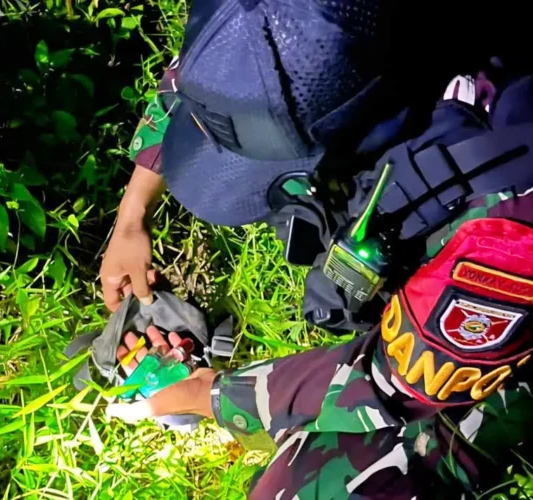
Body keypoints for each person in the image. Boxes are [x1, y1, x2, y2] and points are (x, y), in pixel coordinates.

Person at [100, 0, 533, 497]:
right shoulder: (340, 21)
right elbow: (227, 59)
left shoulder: (500, 237)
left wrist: (210, 394)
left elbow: (395, 381)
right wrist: (131, 217)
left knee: (325, 477)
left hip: (490, 318)